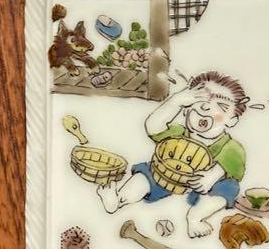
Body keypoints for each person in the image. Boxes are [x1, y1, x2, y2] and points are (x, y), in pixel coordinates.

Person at [98, 70, 248, 237]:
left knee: (229, 188)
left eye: (221, 106)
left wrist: (212, 176)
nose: (206, 107)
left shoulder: (230, 146)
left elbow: (233, 166)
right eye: (199, 100)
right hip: (165, 177)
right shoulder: (178, 134)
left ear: (232, 120)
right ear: (186, 109)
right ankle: (118, 199)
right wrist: (176, 101)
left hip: (202, 186)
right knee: (144, 175)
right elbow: (153, 127)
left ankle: (195, 218)